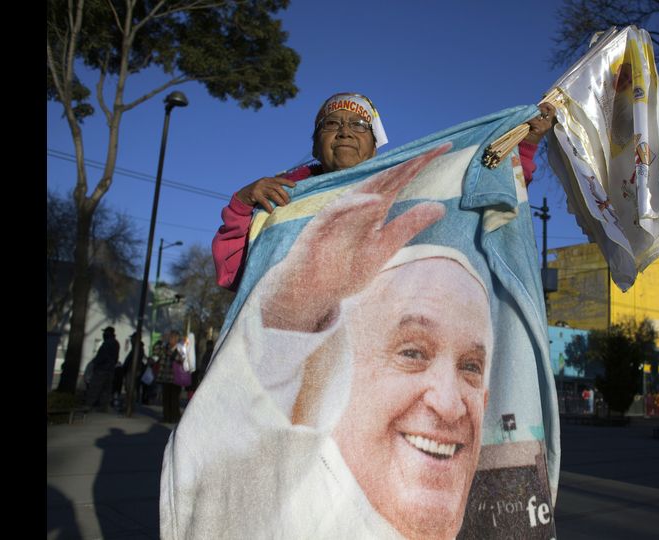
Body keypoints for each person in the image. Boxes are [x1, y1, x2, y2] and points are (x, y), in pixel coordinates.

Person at [162, 144, 495, 539]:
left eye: (471, 366)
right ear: (344, 374)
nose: (448, 404)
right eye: (411, 353)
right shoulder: (283, 197)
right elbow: (219, 475)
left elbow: (498, 203)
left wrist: (517, 147)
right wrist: (243, 213)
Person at [211, 92, 556, 291]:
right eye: (332, 124)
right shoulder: (281, 196)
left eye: (359, 126)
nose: (345, 132)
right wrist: (243, 204)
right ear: (315, 146)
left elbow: (480, 196)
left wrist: (524, 144)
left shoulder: (407, 187)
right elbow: (235, 271)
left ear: (375, 148)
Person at [84, 327, 120, 411]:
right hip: (110, 370)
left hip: (102, 369)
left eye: (105, 332)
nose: (103, 334)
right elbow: (115, 358)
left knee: (95, 388)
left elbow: (101, 356)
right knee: (106, 390)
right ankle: (103, 406)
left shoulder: (107, 343)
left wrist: (95, 364)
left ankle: (88, 405)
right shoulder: (116, 343)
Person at [155, 330, 184, 423]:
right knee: (166, 399)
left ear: (176, 339)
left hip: (176, 378)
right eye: (170, 337)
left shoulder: (180, 348)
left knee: (174, 399)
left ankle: (175, 417)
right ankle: (166, 417)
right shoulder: (164, 347)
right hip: (165, 377)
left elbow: (182, 360)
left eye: (173, 337)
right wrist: (160, 342)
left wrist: (172, 353)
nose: (170, 339)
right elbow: (156, 352)